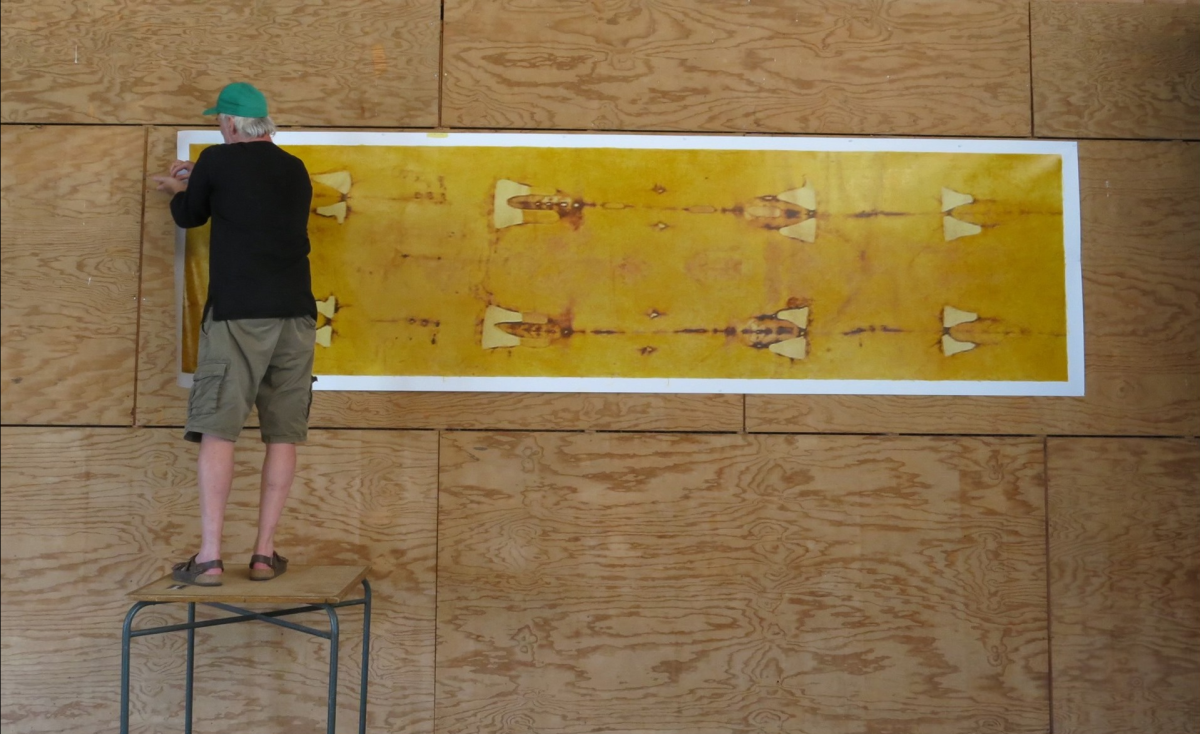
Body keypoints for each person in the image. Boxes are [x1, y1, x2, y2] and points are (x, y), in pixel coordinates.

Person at [151, 82, 316, 586]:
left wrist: (180, 186)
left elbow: (190, 215)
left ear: (228, 123)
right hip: (296, 314)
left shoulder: (216, 160)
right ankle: (264, 554)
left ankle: (210, 558)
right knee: (282, 434)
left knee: (219, 429)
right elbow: (253, 200)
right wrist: (201, 176)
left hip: (238, 315)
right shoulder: (294, 167)